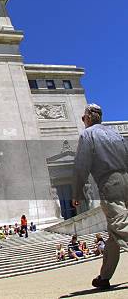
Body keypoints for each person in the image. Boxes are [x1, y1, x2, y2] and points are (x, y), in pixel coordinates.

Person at [72, 104, 128, 289]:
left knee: (121, 226)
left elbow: (81, 166)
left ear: (87, 118)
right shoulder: (116, 135)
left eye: (83, 118)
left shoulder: (87, 135)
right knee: (113, 236)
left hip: (110, 184)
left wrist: (77, 192)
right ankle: (104, 278)